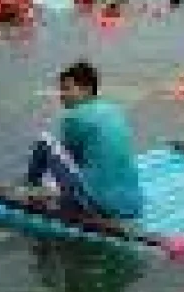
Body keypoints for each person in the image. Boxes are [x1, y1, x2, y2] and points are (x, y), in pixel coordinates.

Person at [25, 61, 143, 219]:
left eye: (67, 89)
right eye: (61, 89)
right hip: (132, 206)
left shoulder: (74, 117)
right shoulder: (113, 109)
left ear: (86, 90)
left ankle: (29, 190)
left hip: (101, 206)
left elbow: (69, 162)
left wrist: (50, 186)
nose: (61, 95)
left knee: (44, 141)